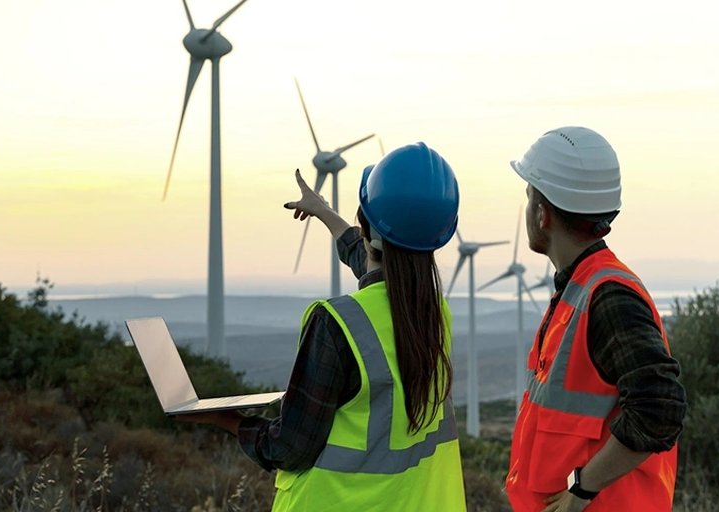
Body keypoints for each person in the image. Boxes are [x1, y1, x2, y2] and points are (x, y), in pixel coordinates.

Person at [178, 142, 467, 511]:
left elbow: (288, 447)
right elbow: (375, 261)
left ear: (365, 224)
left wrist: (226, 419)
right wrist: (325, 213)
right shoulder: (432, 312)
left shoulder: (338, 325)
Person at [504, 127, 687, 511]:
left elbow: (660, 407)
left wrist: (581, 489)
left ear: (542, 214)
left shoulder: (608, 297)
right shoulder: (581, 288)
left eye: (528, 199)